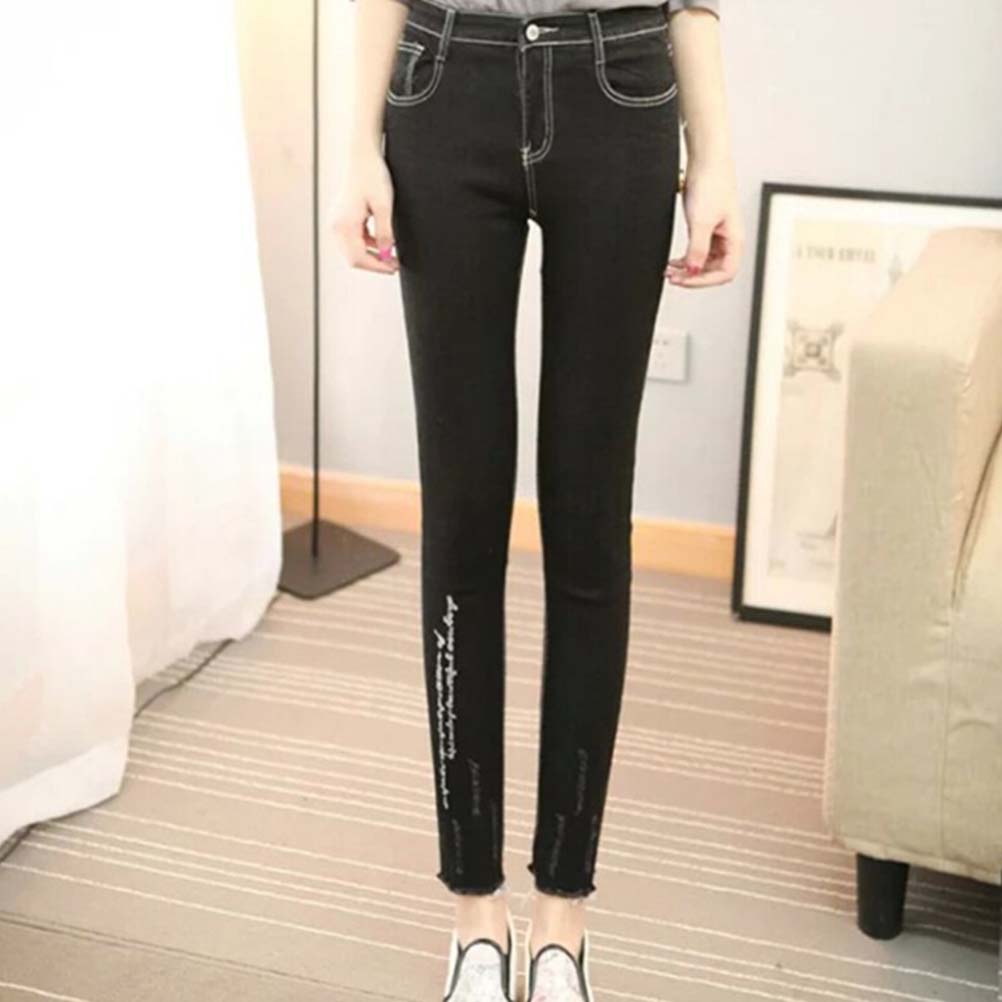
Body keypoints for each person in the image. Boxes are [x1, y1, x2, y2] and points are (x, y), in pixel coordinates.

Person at [333, 0, 741, 997]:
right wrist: (355, 145)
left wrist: (716, 156)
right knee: (462, 520)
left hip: (621, 87)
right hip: (445, 83)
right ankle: (476, 918)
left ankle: (562, 921)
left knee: (590, 527)